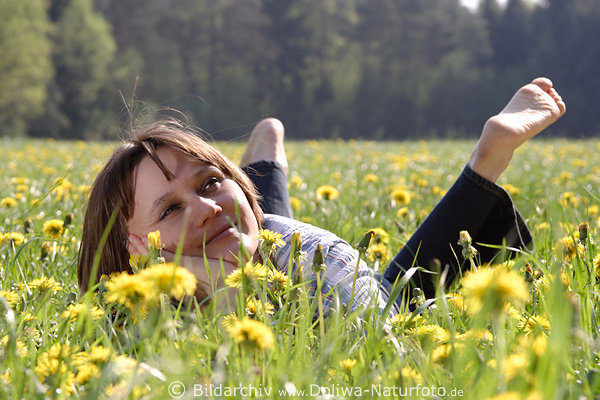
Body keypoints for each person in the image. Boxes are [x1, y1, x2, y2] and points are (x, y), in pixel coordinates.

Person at [77, 77, 565, 316]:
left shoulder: (319, 259)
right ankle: (264, 160)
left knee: (396, 296)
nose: (206, 206)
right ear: (136, 246)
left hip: (287, 248)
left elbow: (382, 341)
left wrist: (225, 288)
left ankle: (489, 155)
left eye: (209, 181)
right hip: (255, 232)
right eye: (169, 208)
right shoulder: (116, 313)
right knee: (248, 228)